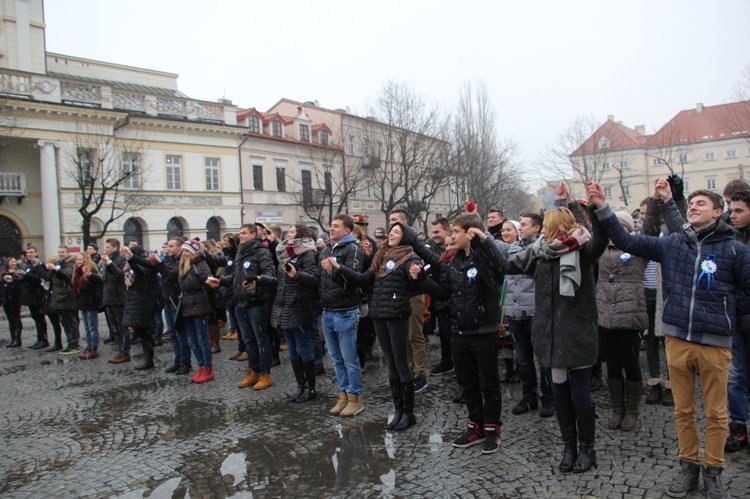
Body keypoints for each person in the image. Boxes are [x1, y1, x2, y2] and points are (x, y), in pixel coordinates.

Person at [588, 179, 750, 498]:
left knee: (716, 413)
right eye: (690, 203)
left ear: (719, 212)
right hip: (677, 337)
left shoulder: (735, 249)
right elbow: (625, 240)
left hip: (715, 342)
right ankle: (688, 467)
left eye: (701, 203)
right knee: (683, 410)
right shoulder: (674, 243)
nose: (693, 206)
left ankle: (713, 470)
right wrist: (602, 207)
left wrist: (725, 309)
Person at [492, 194, 607, 473]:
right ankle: (569, 446)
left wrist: (596, 207)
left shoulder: (583, 250)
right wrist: (484, 242)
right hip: (551, 338)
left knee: (580, 394)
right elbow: (508, 265)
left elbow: (601, 239)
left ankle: (587, 449)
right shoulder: (540, 254)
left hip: (577, 336)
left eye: (547, 227)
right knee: (559, 393)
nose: (542, 231)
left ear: (560, 227)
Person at [410, 214, 506, 454]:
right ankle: (476, 425)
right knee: (468, 383)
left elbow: (498, 277)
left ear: (470, 233)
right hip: (460, 332)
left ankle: (493, 429)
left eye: (456, 231)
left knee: (489, 384)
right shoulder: (454, 262)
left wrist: (481, 245)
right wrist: (423, 280)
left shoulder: (485, 258)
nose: (451, 236)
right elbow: (444, 294)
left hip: (484, 331)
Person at [322, 222, 422, 431]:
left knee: (401, 364)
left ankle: (409, 413)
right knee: (391, 365)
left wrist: (416, 276)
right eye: (391, 231)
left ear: (406, 237)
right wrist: (339, 268)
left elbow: (415, 287)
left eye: (397, 232)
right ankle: (398, 411)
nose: (391, 234)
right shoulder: (381, 256)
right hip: (379, 314)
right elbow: (363, 279)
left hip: (397, 315)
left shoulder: (410, 257)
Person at [594, 209, 648, 432]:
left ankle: (632, 410)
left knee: (632, 363)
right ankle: (618, 408)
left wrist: (655, 202)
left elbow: (652, 225)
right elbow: (586, 226)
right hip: (606, 315)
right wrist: (569, 201)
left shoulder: (638, 246)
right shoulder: (601, 248)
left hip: (630, 313)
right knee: (613, 365)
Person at [213, 224, 276, 390]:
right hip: (240, 301)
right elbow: (236, 275)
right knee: (248, 340)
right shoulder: (241, 251)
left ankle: (265, 373)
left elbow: (270, 274)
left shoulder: (261, 251)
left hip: (257, 302)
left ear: (253, 234)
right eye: (239, 233)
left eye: (244, 233)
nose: (240, 236)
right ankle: (253, 371)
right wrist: (220, 281)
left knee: (261, 339)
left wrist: (257, 280)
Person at [506, 213, 555, 418]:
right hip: (515, 311)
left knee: (543, 359)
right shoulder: (512, 249)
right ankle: (529, 397)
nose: (521, 228)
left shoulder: (544, 249)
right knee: (524, 360)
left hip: (535, 312)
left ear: (537, 228)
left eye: (524, 224)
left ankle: (549, 398)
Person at [266, 224, 320, 403]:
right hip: (284, 306)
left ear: (301, 234)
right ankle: (300, 386)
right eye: (288, 231)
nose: (288, 234)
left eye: (292, 231)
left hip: (299, 306)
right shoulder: (284, 254)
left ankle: (311, 388)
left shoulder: (308, 254)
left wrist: (297, 275)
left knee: (303, 347)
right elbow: (280, 282)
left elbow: (313, 280)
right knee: (292, 349)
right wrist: (260, 280)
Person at [319, 214, 366, 417]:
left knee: (349, 358)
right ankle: (343, 394)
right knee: (336, 359)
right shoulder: (328, 249)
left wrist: (335, 271)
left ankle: (356, 397)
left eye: (336, 226)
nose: (331, 228)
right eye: (331, 225)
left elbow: (354, 281)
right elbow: (320, 281)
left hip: (345, 311)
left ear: (347, 231)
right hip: (328, 311)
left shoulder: (353, 249)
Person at [388, 208, 428, 394]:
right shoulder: (390, 245)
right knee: (405, 338)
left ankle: (420, 374)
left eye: (395, 221)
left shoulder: (414, 244)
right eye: (390, 220)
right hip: (398, 296)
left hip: (413, 295)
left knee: (415, 335)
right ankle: (410, 371)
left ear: (404, 223)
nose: (390, 223)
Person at [725, 188, 750, 453]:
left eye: (739, 210)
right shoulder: (729, 237)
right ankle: (739, 428)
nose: (733, 215)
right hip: (735, 319)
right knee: (735, 376)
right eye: (731, 210)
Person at [151, 238, 191, 375]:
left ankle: (185, 362)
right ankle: (178, 360)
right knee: (173, 334)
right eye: (167, 246)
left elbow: (169, 275)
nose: (167, 249)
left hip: (177, 301)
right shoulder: (168, 260)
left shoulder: (181, 260)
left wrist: (160, 263)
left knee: (181, 334)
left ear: (180, 248)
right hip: (168, 300)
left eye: (171, 246)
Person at [179, 238, 215, 383]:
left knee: (202, 339)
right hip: (187, 303)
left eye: (187, 251)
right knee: (192, 339)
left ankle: (208, 368)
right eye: (183, 251)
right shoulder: (184, 265)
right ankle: (200, 366)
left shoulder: (200, 264)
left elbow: (208, 281)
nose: (184, 253)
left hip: (198, 303)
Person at [34, 246, 80, 355]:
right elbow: (49, 277)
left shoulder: (71, 264)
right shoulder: (59, 263)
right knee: (65, 322)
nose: (61, 254)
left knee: (70, 322)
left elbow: (67, 277)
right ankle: (70, 343)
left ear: (68, 253)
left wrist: (56, 270)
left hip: (67, 296)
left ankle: (74, 344)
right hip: (58, 297)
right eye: (59, 252)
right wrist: (38, 268)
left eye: (63, 252)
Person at [120, 245, 157, 370]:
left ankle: (149, 359)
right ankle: (147, 357)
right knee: (141, 331)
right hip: (136, 300)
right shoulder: (132, 265)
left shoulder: (146, 265)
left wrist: (131, 259)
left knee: (145, 332)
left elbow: (140, 271)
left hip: (143, 301)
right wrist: (109, 264)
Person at [100, 239, 131, 363]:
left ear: (115, 247)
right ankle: (120, 350)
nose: (106, 249)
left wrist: (109, 264)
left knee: (122, 327)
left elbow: (120, 274)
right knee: (115, 328)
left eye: (108, 247)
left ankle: (125, 352)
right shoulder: (108, 260)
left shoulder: (120, 260)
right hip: (109, 298)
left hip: (118, 298)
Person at [499, 220, 521, 384]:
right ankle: (509, 369)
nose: (505, 233)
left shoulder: (521, 249)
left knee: (518, 337)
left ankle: (520, 368)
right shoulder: (501, 250)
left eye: (508, 230)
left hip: (518, 295)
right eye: (503, 230)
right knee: (504, 334)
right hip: (504, 294)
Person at [72, 252, 103, 360]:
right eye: (77, 260)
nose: (78, 262)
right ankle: (89, 346)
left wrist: (90, 275)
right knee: (86, 327)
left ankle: (94, 348)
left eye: (80, 259)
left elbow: (99, 281)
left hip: (90, 301)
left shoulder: (91, 270)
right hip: (83, 302)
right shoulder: (77, 271)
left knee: (92, 326)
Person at [17, 247, 48, 349]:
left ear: (36, 253)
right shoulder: (28, 265)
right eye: (28, 252)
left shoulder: (38, 264)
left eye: (31, 252)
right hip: (30, 295)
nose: (29, 254)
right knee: (35, 317)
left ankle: (44, 339)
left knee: (40, 318)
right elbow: (27, 279)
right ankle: (39, 338)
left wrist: (26, 275)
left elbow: (39, 278)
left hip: (38, 295)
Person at [1, 258, 23, 348]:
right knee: (10, 319)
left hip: (15, 298)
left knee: (16, 317)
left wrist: (14, 279)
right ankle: (13, 338)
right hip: (6, 298)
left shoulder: (18, 272)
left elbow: (22, 282)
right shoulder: (3, 273)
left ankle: (18, 339)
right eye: (11, 262)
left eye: (14, 261)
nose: (13, 263)